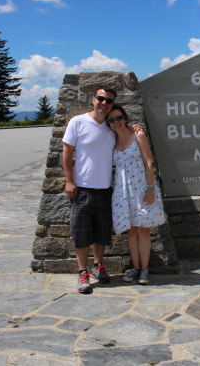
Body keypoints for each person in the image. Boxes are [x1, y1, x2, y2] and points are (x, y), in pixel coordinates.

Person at [62, 88, 116, 294]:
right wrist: (69, 180)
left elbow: (126, 135)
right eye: (100, 99)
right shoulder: (78, 122)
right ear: (93, 100)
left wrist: (136, 129)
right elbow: (67, 151)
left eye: (108, 101)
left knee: (102, 233)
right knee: (82, 233)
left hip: (104, 188)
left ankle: (98, 266)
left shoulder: (112, 125)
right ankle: (82, 272)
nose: (104, 103)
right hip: (82, 188)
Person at [107, 105, 165, 285]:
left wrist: (150, 188)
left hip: (141, 188)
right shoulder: (111, 141)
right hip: (123, 192)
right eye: (111, 120)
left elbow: (149, 162)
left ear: (125, 118)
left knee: (143, 230)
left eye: (118, 118)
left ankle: (145, 269)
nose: (116, 122)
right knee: (131, 231)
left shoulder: (137, 135)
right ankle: (136, 267)